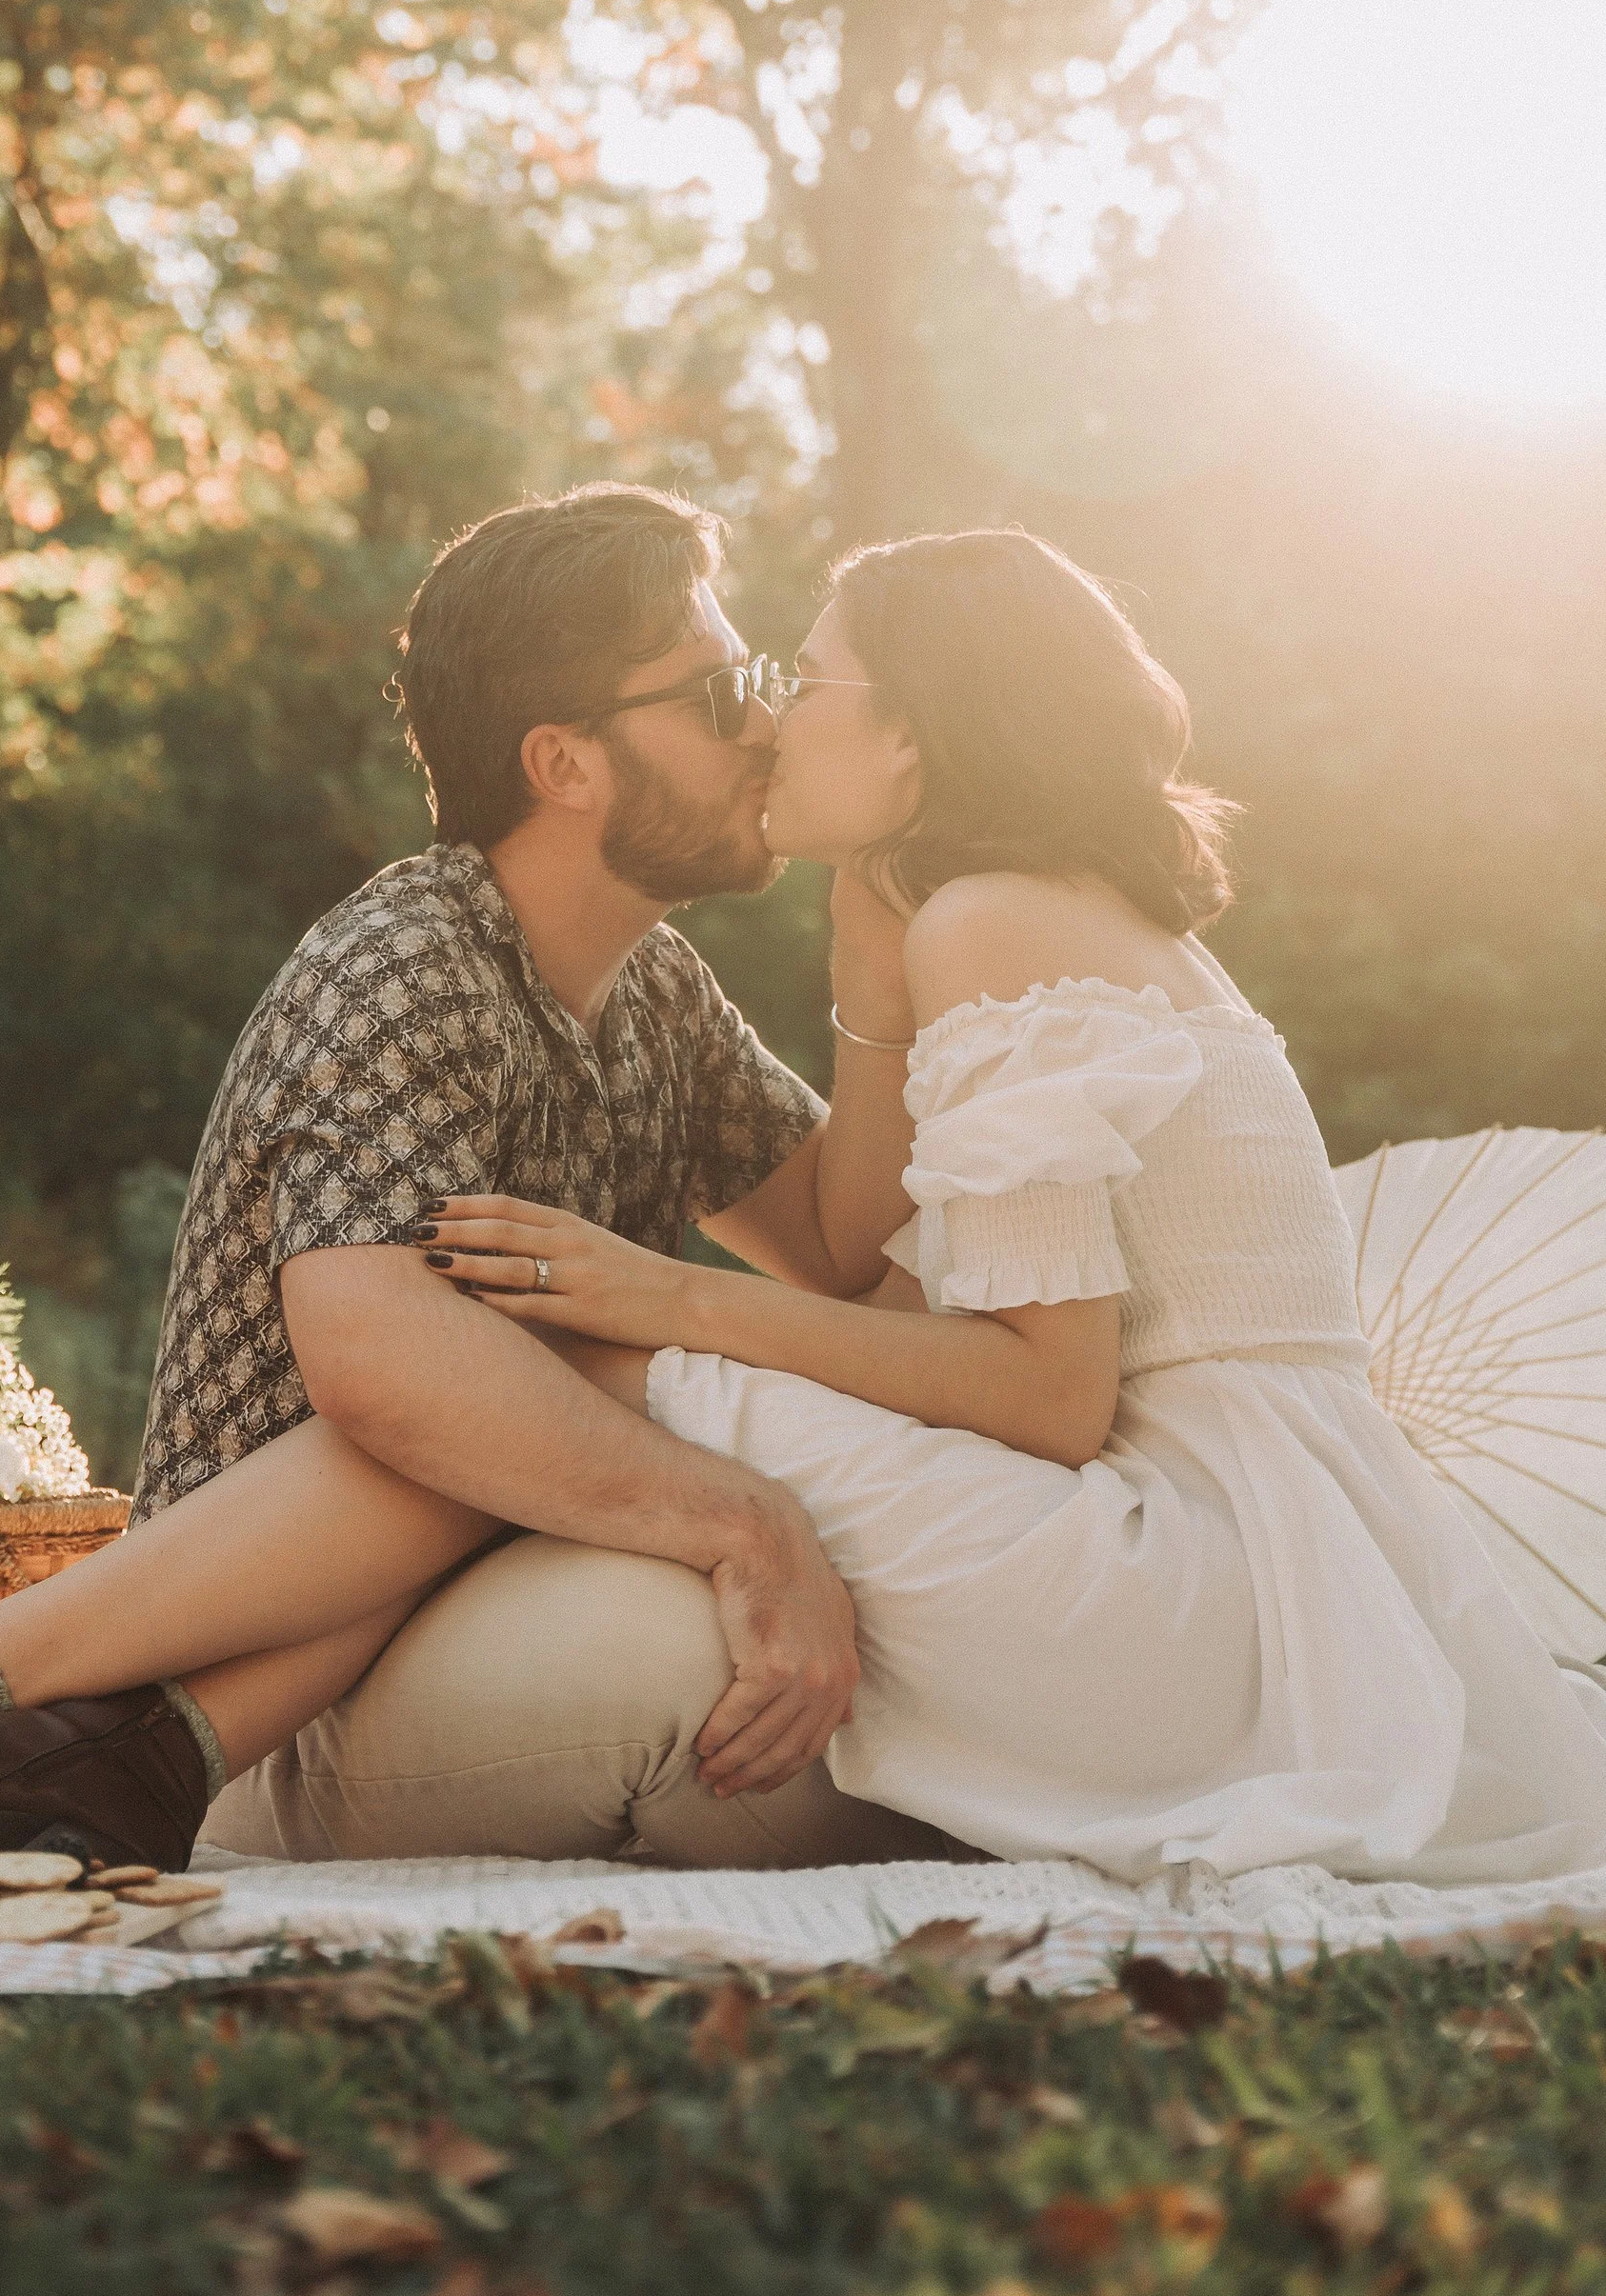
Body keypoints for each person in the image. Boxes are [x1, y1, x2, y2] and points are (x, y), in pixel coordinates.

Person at [259, 527, 1606, 1887]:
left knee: (588, 1363)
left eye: (807, 681)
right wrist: (868, 975)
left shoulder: (989, 923)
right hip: (1266, 1556)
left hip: (1179, 1554)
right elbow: (876, 1275)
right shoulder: (1039, 915)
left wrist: (669, 1296)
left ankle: (85, 1698)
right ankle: (95, 1700)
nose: (775, 720)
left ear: (913, 738)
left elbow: (1046, 1396)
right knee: (595, 1374)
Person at [0, 483, 939, 1869]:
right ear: (564, 763)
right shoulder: (410, 956)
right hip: (264, 1669)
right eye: (719, 690)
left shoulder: (659, 993)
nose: (764, 723)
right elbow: (376, 1360)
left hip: (441, 1599)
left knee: (551, 1348)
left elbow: (843, 1241)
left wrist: (876, 949)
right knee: (494, 1354)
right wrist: (744, 1519)